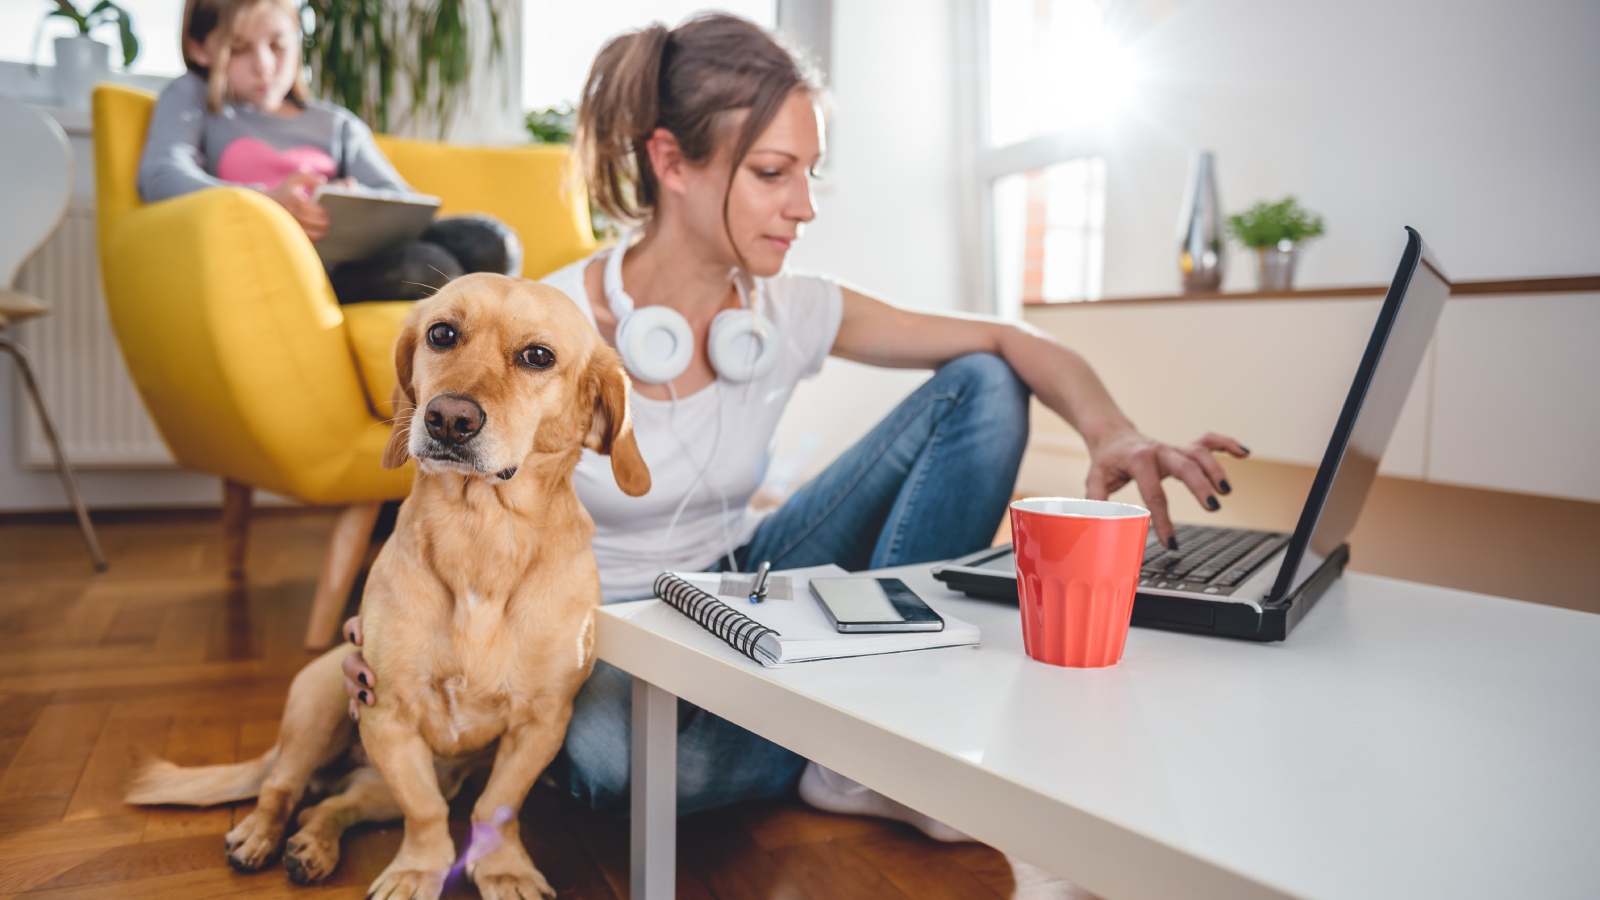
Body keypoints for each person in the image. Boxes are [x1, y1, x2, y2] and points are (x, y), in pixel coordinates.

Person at [341, 13, 1246, 838]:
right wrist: (388, 631)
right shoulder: (548, 327)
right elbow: (440, 505)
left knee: (984, 382)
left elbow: (1012, 340)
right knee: (621, 763)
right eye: (774, 173)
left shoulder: (790, 307)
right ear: (673, 162)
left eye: (809, 175)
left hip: (743, 574)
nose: (804, 206)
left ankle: (872, 738)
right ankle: (835, 740)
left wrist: (1113, 432)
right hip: (596, 627)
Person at [137, 0, 522, 303]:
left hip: (365, 251)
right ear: (200, 48)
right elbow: (161, 174)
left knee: (491, 240)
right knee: (427, 266)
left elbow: (407, 203)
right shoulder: (196, 100)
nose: (264, 66)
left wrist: (354, 202)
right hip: (312, 270)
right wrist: (267, 200)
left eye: (277, 45)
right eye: (238, 49)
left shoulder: (337, 124)